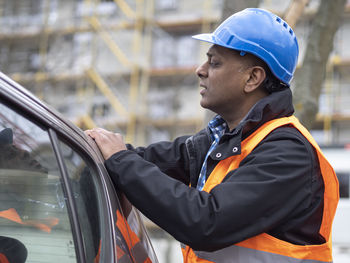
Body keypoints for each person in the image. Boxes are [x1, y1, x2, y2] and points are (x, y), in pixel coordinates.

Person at [86, 8, 339, 263]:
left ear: (253, 78)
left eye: (215, 62)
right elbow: (143, 161)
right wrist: (97, 148)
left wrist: (120, 159)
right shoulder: (222, 141)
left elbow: (205, 222)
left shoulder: (289, 154)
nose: (200, 69)